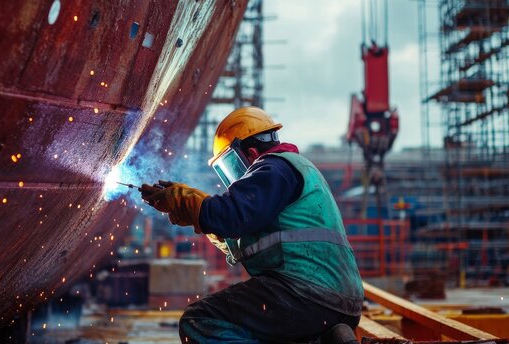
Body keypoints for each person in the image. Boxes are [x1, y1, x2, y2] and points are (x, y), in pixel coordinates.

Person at [141, 106, 363, 343]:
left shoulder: (273, 168)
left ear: (250, 153)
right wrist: (195, 211)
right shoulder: (294, 170)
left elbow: (232, 216)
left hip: (305, 295)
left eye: (231, 165)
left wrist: (189, 204)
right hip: (336, 300)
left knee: (201, 319)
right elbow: (241, 234)